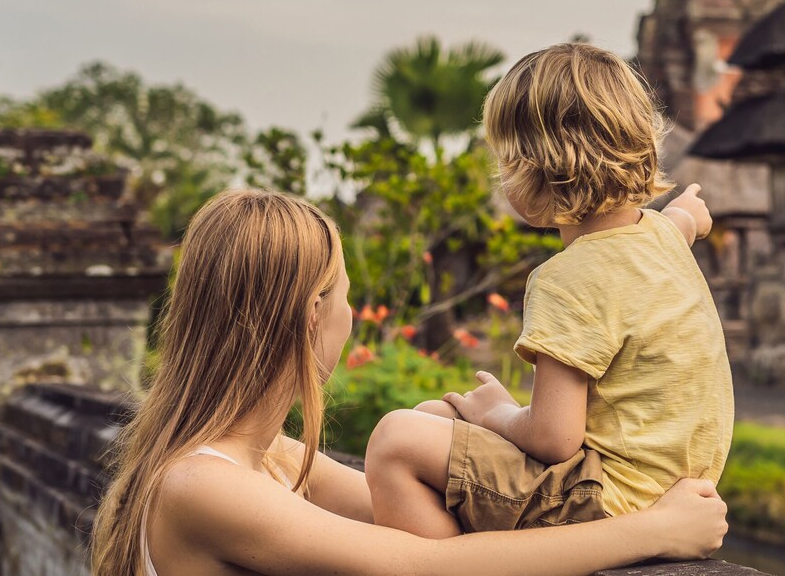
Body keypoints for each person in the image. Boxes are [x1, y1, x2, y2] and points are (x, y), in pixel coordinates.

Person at [90, 189, 728, 575]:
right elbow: (426, 566)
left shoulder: (273, 460)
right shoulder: (205, 484)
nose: (348, 312)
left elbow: (425, 520)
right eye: (344, 293)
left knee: (423, 421)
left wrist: (448, 431)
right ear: (315, 315)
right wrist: (651, 532)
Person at [365, 42, 733, 539]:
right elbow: (680, 223)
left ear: (536, 170)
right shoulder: (661, 237)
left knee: (397, 439)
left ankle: (450, 564)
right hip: (669, 486)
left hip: (608, 501)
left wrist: (498, 413)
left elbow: (554, 438)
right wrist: (690, 211)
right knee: (435, 416)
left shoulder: (569, 278)